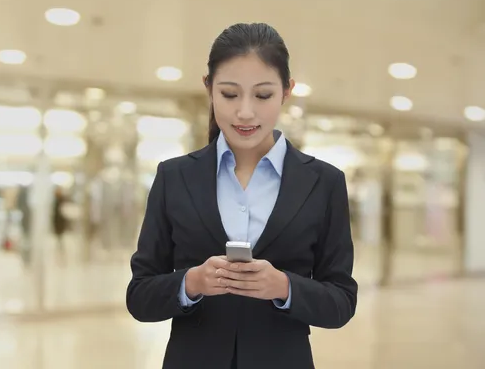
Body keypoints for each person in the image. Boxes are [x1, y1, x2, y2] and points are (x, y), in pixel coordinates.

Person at [126, 23, 358, 369]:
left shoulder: (324, 183)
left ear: (286, 91)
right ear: (209, 89)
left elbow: (341, 301)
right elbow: (140, 296)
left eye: (262, 95)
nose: (245, 112)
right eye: (230, 94)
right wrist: (193, 282)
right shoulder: (174, 177)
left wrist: (283, 287)